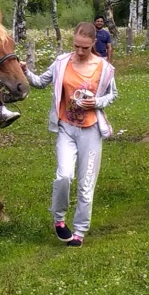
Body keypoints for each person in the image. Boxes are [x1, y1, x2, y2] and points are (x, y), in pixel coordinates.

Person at [27, 21, 118, 245]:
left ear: (93, 44)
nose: (79, 51)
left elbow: (112, 94)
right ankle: (59, 220)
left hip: (90, 131)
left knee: (86, 185)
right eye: (76, 45)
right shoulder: (61, 63)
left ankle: (79, 231)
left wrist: (96, 102)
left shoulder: (104, 68)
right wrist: (24, 71)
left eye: (84, 47)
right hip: (66, 128)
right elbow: (40, 82)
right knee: (64, 176)